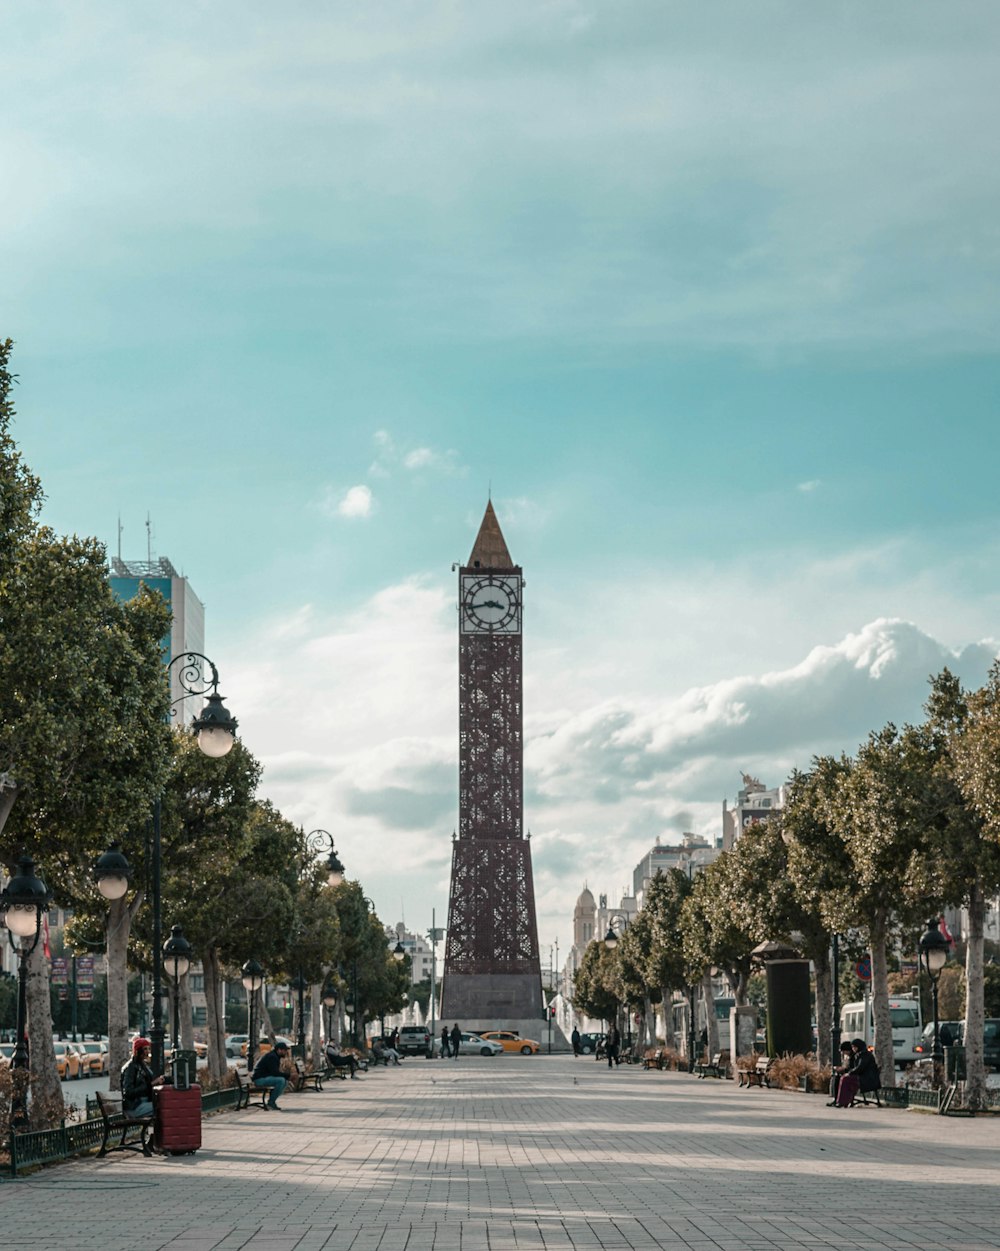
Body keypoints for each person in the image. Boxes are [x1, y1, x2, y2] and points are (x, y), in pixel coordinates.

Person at [121, 1036, 158, 1119]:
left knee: (165, 1104)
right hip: (134, 1107)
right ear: (138, 1050)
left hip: (143, 1103)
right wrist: (150, 1084)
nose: (147, 1051)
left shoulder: (143, 1066)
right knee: (162, 1107)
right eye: (145, 1049)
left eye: (149, 1049)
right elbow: (128, 1091)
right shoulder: (131, 1067)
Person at [253, 1040, 290, 1109]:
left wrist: (287, 1076)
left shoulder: (274, 1056)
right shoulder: (272, 1057)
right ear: (279, 1050)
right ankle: (271, 1102)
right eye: (285, 1050)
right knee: (281, 1081)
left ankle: (272, 1100)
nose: (286, 1052)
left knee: (284, 1081)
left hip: (264, 1078)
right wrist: (288, 1076)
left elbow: (274, 1073)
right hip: (259, 1079)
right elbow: (274, 1073)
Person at [849, 1037, 882, 1106]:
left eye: (854, 1047)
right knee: (842, 1078)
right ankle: (841, 1099)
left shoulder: (865, 1055)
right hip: (865, 1077)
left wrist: (850, 1073)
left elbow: (860, 1067)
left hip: (867, 1079)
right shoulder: (859, 1054)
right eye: (852, 1047)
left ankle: (842, 1100)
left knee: (846, 1080)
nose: (853, 1049)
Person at [826, 1041, 855, 1105]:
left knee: (838, 1078)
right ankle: (836, 1099)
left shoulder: (853, 1057)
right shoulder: (847, 1057)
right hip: (850, 1074)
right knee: (836, 1077)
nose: (842, 1053)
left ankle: (838, 1099)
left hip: (853, 1076)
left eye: (843, 1051)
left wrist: (842, 1069)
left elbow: (851, 1068)